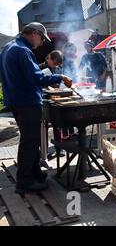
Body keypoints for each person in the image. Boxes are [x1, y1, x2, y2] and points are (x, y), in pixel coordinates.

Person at [0, 22, 72, 194]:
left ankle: (34, 173)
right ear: (33, 33)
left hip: (16, 101)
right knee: (30, 143)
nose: (41, 43)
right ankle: (24, 182)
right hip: (27, 103)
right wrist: (59, 76)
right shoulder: (23, 50)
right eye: (41, 38)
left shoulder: (9, 47)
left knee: (29, 141)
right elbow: (35, 78)